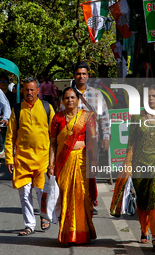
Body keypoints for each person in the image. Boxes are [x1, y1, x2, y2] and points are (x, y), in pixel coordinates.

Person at [110, 85, 155, 252]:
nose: (151, 99)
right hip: (139, 165)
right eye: (148, 96)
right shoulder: (137, 118)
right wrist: (127, 165)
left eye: (154, 96)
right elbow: (130, 143)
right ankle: (144, 228)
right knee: (142, 201)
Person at [5, 77, 55, 236]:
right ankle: (29, 225)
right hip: (22, 161)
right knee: (25, 194)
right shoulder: (18, 109)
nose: (29, 93)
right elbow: (10, 136)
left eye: (32, 89)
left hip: (43, 160)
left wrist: (54, 160)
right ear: (22, 91)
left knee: (41, 192)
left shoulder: (47, 108)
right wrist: (9, 158)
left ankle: (44, 216)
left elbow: (55, 134)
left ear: (38, 91)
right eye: (26, 90)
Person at [48, 87, 97, 244]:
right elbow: (53, 144)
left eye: (72, 97)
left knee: (82, 196)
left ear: (78, 100)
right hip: (63, 163)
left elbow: (93, 141)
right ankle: (68, 234)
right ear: (62, 101)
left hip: (82, 162)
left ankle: (84, 233)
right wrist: (51, 165)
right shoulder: (57, 118)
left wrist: (94, 161)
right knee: (66, 197)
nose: (70, 100)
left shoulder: (87, 117)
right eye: (67, 98)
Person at [61, 61, 111, 215]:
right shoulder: (68, 94)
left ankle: (89, 201)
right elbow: (61, 117)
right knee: (73, 170)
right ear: (73, 75)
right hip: (71, 140)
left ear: (88, 76)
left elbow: (104, 117)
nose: (81, 76)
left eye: (84, 74)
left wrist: (106, 136)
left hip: (91, 139)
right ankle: (72, 201)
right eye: (78, 73)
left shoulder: (96, 94)